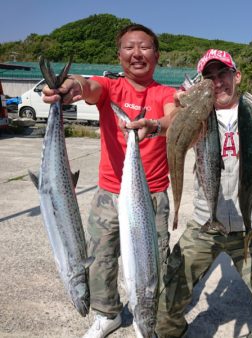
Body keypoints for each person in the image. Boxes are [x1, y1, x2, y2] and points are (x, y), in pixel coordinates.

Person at [42, 24, 176, 338]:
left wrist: (154, 125)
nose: (137, 54)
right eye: (129, 47)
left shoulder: (165, 93)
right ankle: (107, 314)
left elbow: (174, 118)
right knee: (99, 258)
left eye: (145, 47)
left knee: (152, 263)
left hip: (152, 196)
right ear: (119, 55)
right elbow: (88, 86)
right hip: (108, 193)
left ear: (156, 55)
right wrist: (70, 87)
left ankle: (146, 319)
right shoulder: (112, 88)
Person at [155, 49, 252, 338]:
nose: (218, 82)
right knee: (163, 310)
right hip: (204, 226)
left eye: (223, 74)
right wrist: (176, 107)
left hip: (251, 230)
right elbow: (171, 120)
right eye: (210, 77)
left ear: (237, 76)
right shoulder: (198, 117)